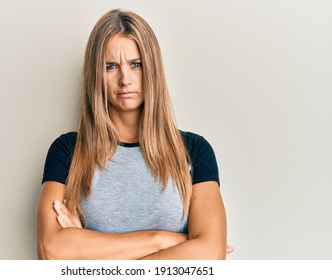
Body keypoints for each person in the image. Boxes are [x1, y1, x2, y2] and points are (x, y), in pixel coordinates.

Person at [36, 9, 229, 260]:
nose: (125, 79)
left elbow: (211, 254)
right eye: (111, 66)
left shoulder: (194, 150)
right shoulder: (68, 150)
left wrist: (88, 250)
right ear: (97, 74)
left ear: (152, 68)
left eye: (136, 64)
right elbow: (51, 251)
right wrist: (164, 240)